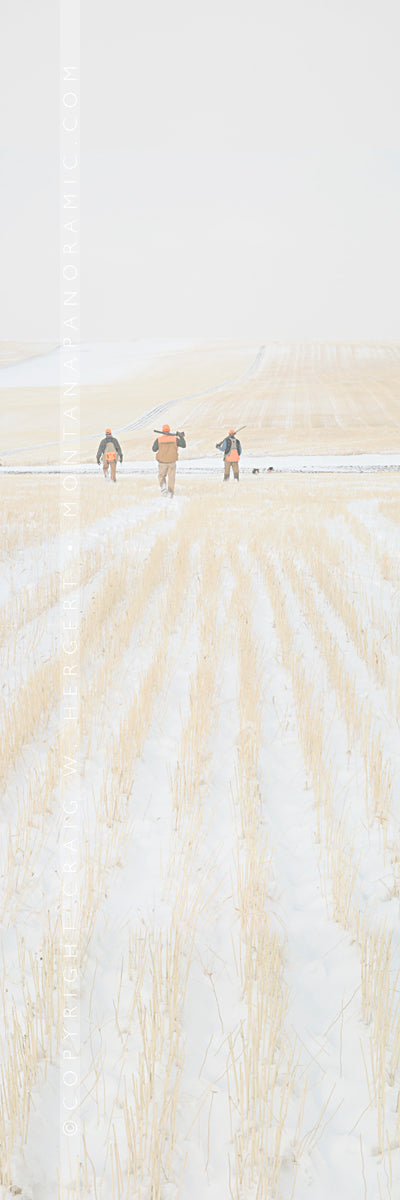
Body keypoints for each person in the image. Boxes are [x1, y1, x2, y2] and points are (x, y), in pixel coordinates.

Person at [152, 424, 186, 497]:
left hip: (162, 462)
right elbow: (183, 445)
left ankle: (163, 488)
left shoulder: (159, 440)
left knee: (161, 476)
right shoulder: (175, 439)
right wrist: (181, 437)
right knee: (171, 478)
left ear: (162, 431)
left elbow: (154, 449)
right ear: (169, 430)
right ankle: (170, 492)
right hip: (172, 462)